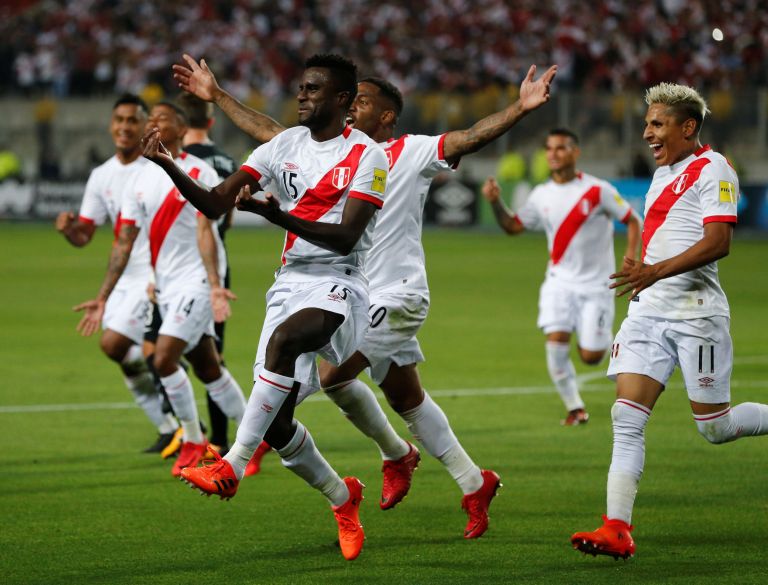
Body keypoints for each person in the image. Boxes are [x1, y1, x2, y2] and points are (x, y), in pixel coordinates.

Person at [171, 53, 556, 538]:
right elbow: (268, 131)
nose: (353, 109)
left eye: (365, 102)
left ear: (386, 116)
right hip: (346, 290)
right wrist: (219, 94)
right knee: (405, 395)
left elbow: (469, 136)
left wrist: (519, 110)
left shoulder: (409, 152)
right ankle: (472, 481)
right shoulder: (315, 148)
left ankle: (351, 452)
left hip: (393, 292)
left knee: (321, 376)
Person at [145, 54, 390, 561]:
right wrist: (168, 165)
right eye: (301, 88)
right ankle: (343, 499)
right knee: (277, 425)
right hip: (289, 285)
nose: (302, 96)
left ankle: (231, 464)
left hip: (342, 282)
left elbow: (346, 238)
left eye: (314, 89)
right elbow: (216, 204)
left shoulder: (369, 156)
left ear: (342, 100)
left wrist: (279, 217)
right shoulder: (283, 146)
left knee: (287, 340)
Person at [570, 82, 768, 559]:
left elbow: (719, 242)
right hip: (648, 314)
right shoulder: (663, 172)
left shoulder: (713, 169)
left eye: (657, 124)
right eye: (647, 123)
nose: (647, 132)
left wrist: (652, 271)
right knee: (625, 418)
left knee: (714, 427)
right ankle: (617, 527)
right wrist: (643, 273)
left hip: (697, 316)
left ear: (687, 127)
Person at [74, 101, 248, 478]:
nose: (152, 124)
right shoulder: (138, 181)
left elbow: (207, 231)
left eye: (162, 120)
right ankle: (262, 436)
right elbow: (124, 242)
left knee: (164, 357)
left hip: (198, 281)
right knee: (208, 367)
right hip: (166, 287)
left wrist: (216, 286)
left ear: (182, 130)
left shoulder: (198, 170)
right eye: (149, 119)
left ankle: (193, 439)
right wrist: (103, 298)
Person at [481, 129, 642, 425]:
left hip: (596, 285)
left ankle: (622, 347)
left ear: (575, 152)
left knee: (592, 356)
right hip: (558, 282)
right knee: (555, 342)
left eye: (561, 148)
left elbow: (632, 219)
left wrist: (631, 258)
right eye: (549, 148)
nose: (554, 153)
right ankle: (575, 408)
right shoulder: (541, 194)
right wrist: (495, 202)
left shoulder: (597, 191)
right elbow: (513, 226)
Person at [56, 93, 178, 453]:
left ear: (145, 125)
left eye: (132, 120)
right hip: (125, 275)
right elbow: (85, 235)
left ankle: (175, 380)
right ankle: (168, 425)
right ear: (111, 126)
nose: (125, 127)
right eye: (119, 121)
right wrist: (68, 229)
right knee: (117, 351)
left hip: (156, 273)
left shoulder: (157, 167)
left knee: (120, 344)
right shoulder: (102, 175)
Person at [175, 91, 239, 456]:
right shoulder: (227, 161)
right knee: (211, 351)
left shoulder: (173, 160)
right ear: (211, 122)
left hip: (173, 266)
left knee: (164, 350)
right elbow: (223, 217)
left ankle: (186, 431)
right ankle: (217, 437)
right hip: (215, 261)